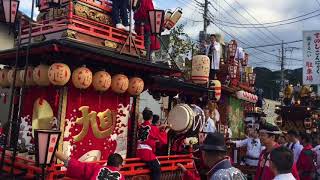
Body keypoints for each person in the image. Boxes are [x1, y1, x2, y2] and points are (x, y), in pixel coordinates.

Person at [136, 108, 169, 180]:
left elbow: (151, 131)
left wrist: (159, 128)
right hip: (147, 153)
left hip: (138, 151)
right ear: (151, 117)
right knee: (157, 169)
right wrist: (165, 131)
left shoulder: (140, 126)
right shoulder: (153, 128)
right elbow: (164, 141)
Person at [55, 151, 124, 180]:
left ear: (107, 162)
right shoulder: (121, 177)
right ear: (119, 165)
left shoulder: (96, 168)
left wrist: (54, 151)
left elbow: (74, 164)